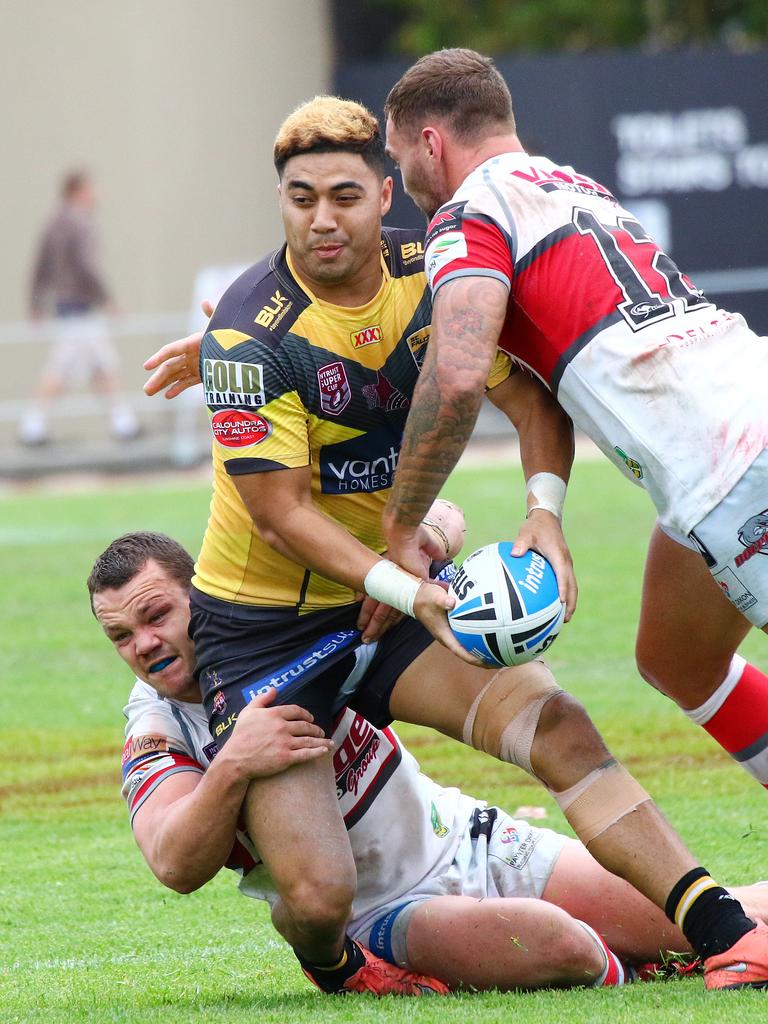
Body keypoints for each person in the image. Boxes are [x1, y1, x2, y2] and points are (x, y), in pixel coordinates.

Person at [141, 95, 767, 992]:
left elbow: (532, 398)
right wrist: (408, 581)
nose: (323, 217)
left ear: (387, 194)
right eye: (301, 196)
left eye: (346, 195)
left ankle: (722, 934)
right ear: (279, 200)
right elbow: (282, 512)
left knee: (560, 726)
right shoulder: (247, 334)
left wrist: (541, 514)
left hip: (392, 603)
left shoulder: (432, 274)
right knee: (318, 893)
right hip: (268, 633)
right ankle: (345, 962)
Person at [89, 530, 768, 993]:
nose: (144, 644)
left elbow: (440, 517)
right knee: (565, 946)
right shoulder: (158, 724)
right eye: (121, 635)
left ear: (202, 595)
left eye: (156, 615)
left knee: (727, 917)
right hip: (385, 913)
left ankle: (663, 950)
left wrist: (426, 540)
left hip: (482, 840)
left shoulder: (287, 615)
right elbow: (172, 861)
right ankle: (637, 963)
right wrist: (234, 763)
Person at [21, 170, 139, 445]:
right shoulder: (80, 223)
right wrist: (106, 299)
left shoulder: (52, 222)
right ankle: (33, 425)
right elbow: (88, 266)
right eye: (90, 189)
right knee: (64, 367)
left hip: (66, 305)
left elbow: (41, 266)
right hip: (81, 307)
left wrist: (35, 302)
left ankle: (123, 422)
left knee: (101, 364)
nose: (95, 194)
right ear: (76, 191)